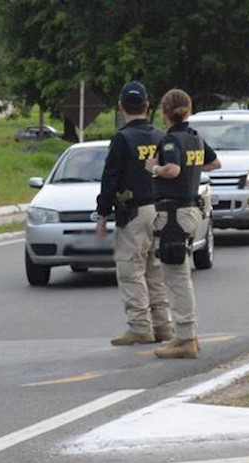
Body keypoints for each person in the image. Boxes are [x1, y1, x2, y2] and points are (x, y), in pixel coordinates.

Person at [96, 80, 174, 346]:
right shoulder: (161, 136)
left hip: (133, 213)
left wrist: (102, 213)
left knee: (131, 270)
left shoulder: (121, 139)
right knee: (155, 270)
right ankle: (164, 326)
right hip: (160, 211)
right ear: (147, 105)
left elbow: (110, 179)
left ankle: (140, 326)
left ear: (121, 106)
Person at [146, 89, 220, 359]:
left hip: (174, 213)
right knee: (181, 272)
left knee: (175, 276)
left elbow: (173, 170)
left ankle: (185, 338)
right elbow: (215, 163)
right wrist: (195, 169)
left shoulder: (171, 141)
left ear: (165, 112)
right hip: (191, 209)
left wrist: (154, 168)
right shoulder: (195, 139)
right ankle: (187, 335)